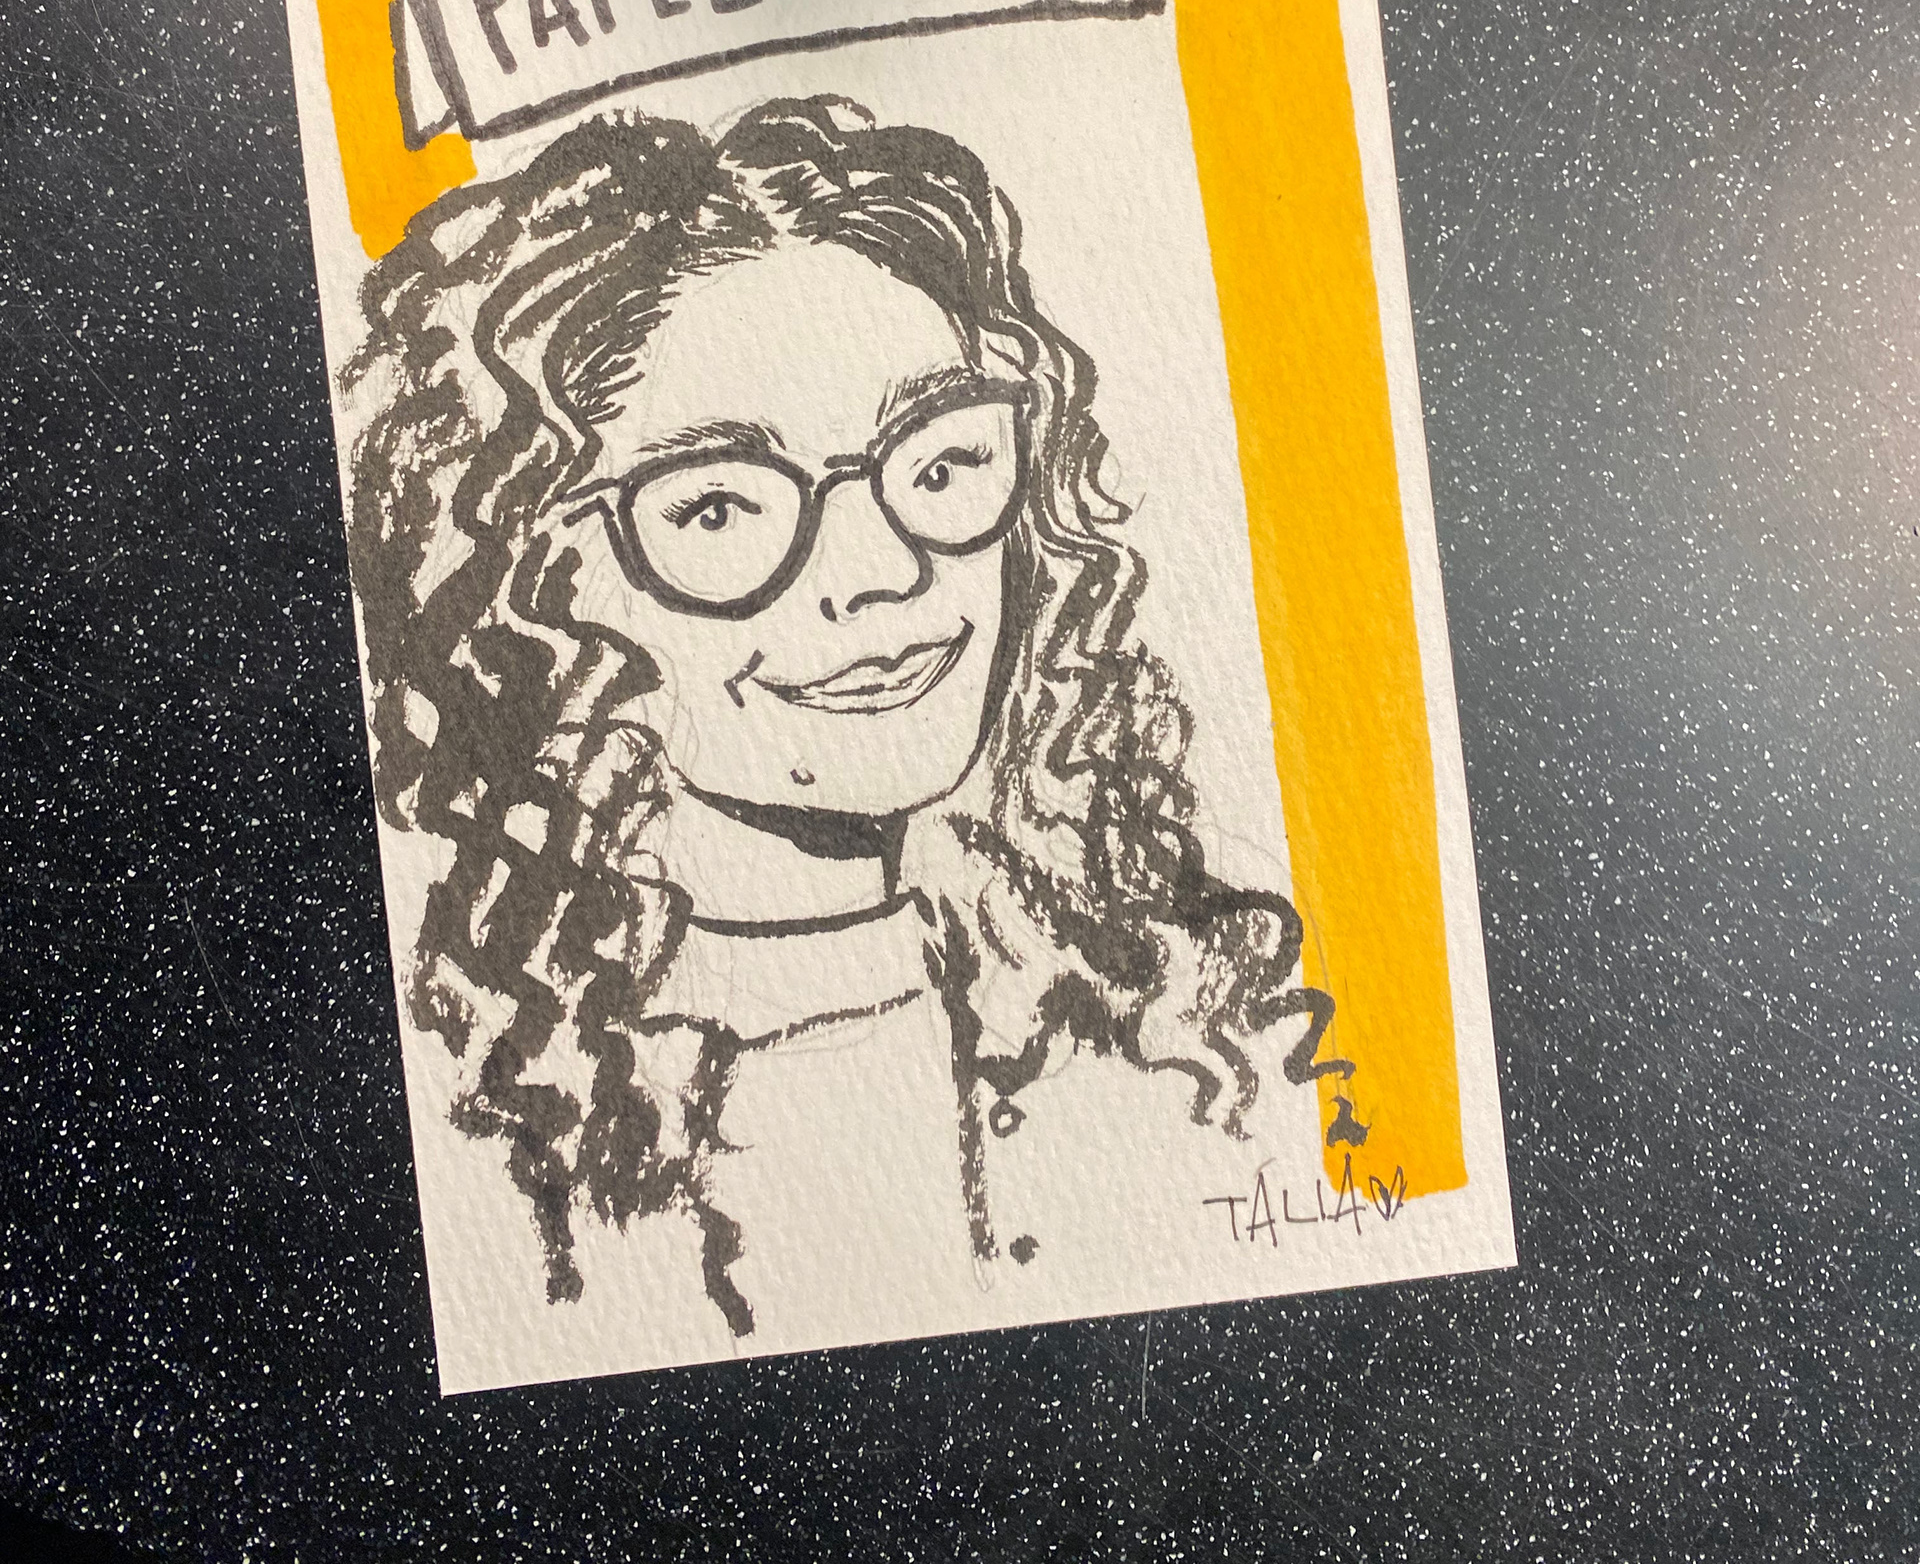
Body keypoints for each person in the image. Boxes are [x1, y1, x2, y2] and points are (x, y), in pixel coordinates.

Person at [344, 95, 1351, 1342]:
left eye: (939, 464)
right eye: (719, 507)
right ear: (538, 581)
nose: (882, 569)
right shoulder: (496, 1115)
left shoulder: (1159, 1001)